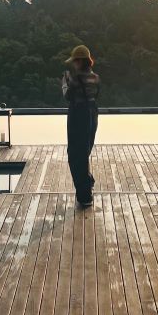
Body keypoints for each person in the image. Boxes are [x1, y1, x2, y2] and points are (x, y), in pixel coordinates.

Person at [62, 45, 100, 206]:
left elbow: (68, 96)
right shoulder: (96, 77)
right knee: (84, 151)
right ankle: (87, 181)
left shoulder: (73, 78)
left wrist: (64, 83)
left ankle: (85, 196)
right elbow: (97, 94)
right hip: (92, 113)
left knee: (74, 154)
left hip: (78, 114)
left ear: (79, 61)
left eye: (75, 61)